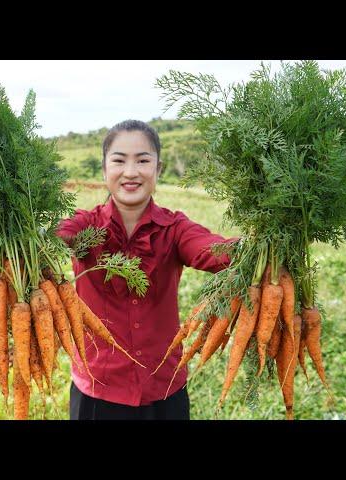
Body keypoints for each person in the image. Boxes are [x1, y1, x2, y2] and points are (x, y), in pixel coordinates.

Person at [56, 119, 236, 420]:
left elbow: (212, 250)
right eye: (119, 160)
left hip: (163, 389)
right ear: (104, 169)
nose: (130, 172)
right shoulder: (85, 224)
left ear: (158, 169)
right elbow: (54, 239)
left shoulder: (175, 228)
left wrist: (260, 246)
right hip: (98, 391)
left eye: (142, 160)